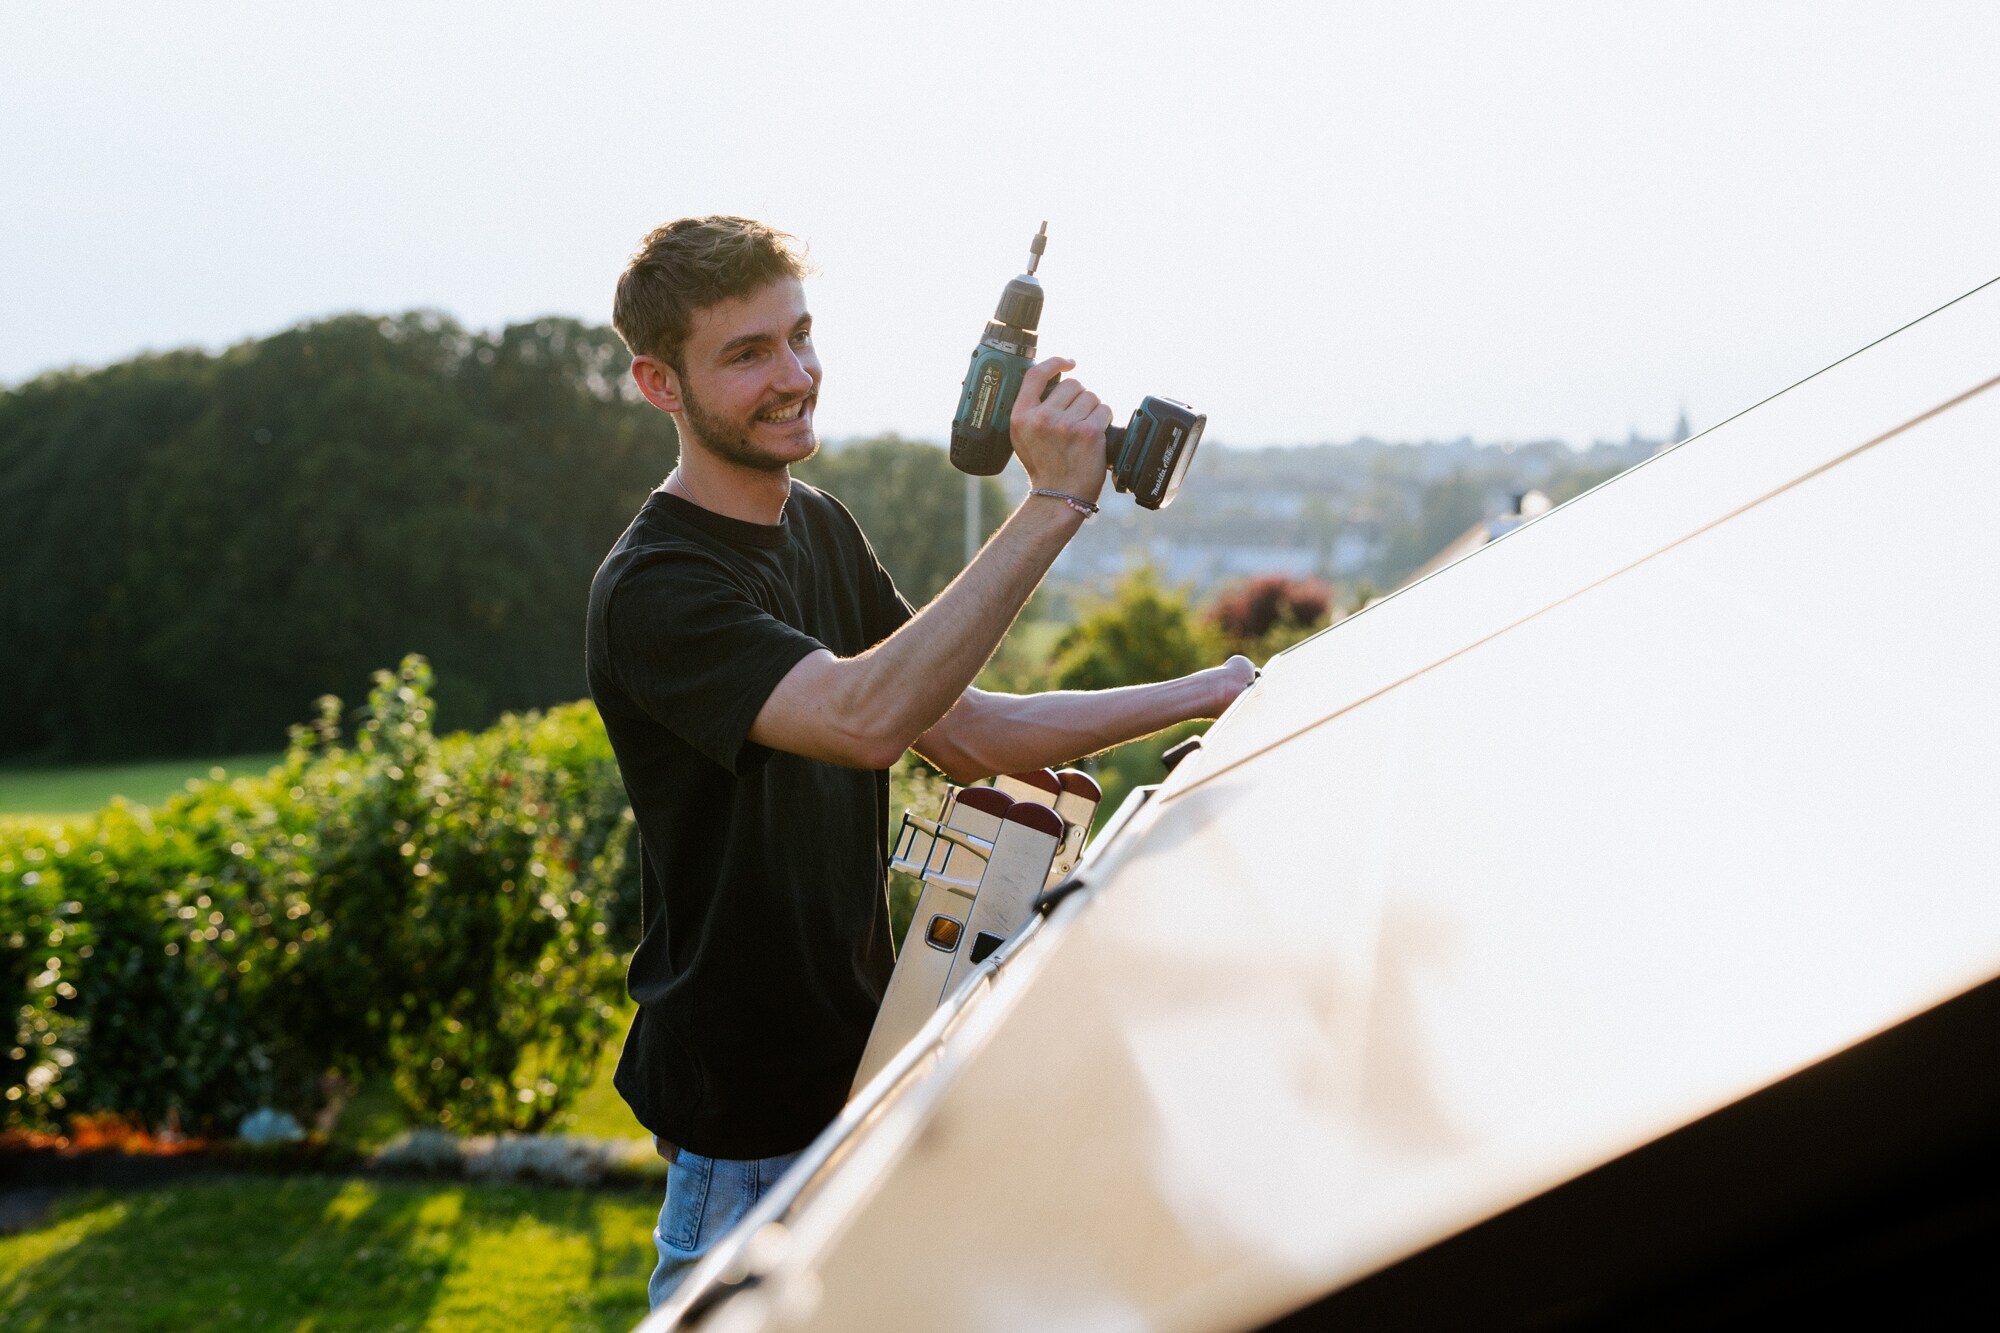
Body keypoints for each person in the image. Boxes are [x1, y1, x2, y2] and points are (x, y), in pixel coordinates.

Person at [586, 215, 1255, 1308]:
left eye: (798, 336)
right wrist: (1053, 501)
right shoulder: (657, 589)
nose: (795, 375)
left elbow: (963, 729)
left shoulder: (818, 528)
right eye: (747, 353)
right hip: (747, 1126)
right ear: (660, 384)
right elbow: (865, 718)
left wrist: (1212, 692)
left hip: (858, 1070)